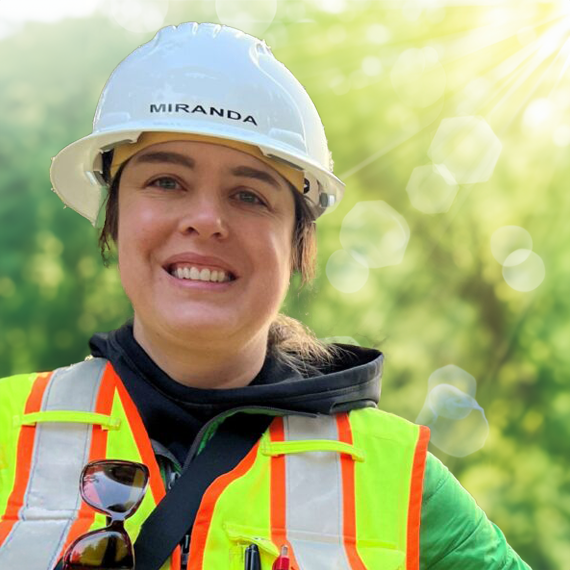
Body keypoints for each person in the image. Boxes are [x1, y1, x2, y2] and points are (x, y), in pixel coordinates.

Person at [0, 21, 532, 570]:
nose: (206, 220)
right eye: (166, 182)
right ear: (113, 216)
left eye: (249, 194)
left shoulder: (402, 484)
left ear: (298, 244)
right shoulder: (5, 429)